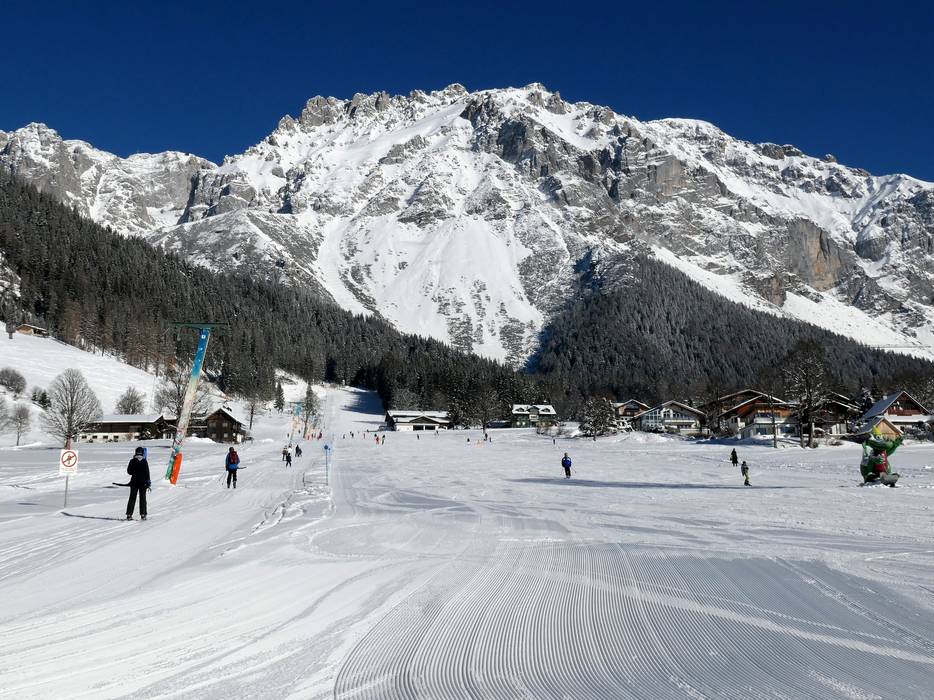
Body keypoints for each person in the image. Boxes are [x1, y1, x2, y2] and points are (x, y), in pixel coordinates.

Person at [126, 446, 151, 520]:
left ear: (135, 452)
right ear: (142, 453)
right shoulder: (144, 461)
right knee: (142, 498)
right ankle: (143, 514)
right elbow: (147, 473)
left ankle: (129, 515)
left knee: (132, 498)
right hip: (143, 483)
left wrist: (134, 469)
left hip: (134, 482)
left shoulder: (132, 461)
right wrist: (148, 482)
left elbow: (129, 472)